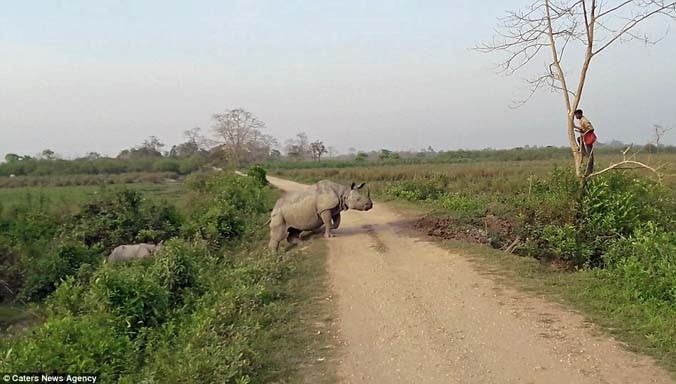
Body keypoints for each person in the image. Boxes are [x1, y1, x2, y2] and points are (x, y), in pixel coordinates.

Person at [574, 109, 597, 174]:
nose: (576, 116)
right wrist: (575, 127)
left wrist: (584, 133)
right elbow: (583, 128)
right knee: (579, 139)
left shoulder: (584, 120)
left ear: (579, 114)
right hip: (586, 137)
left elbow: (591, 128)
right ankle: (583, 152)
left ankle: (590, 170)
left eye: (576, 115)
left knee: (590, 155)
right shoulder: (581, 120)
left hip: (589, 137)